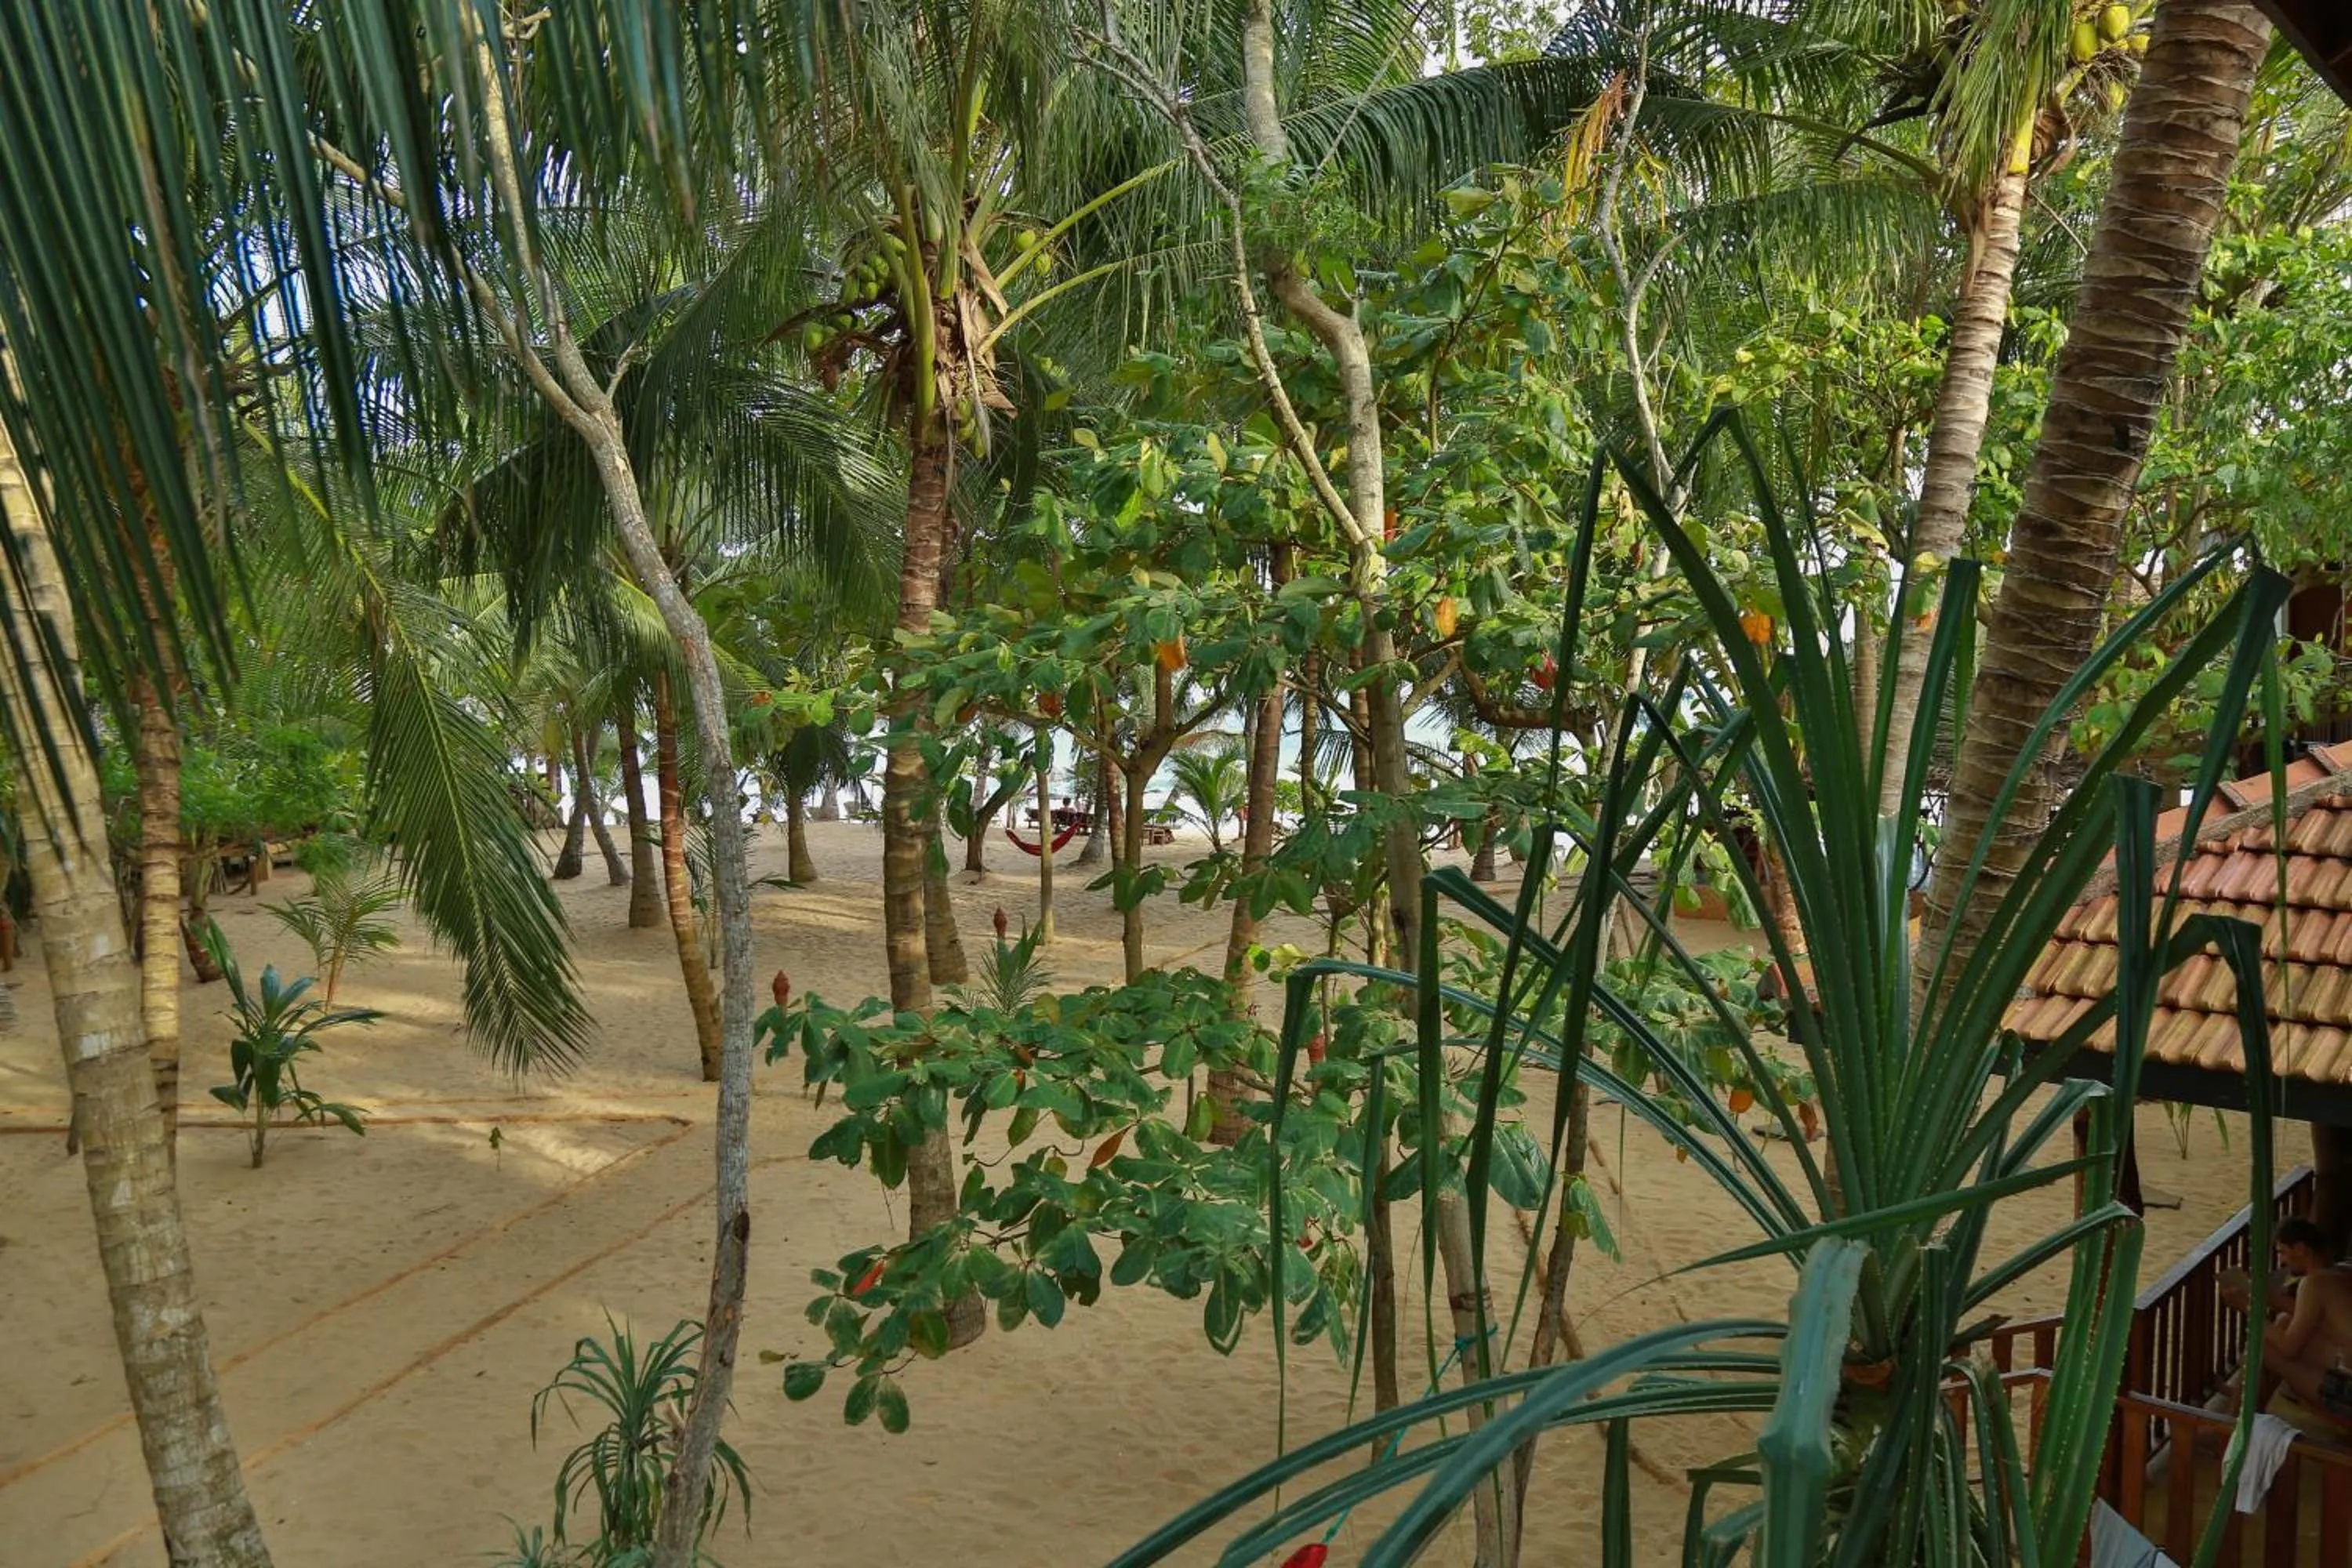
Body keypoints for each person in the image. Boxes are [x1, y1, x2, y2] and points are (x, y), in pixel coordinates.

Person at [2228, 1217, 2352, 1429]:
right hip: (2343, 1368)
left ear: (2301, 1249)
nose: (2282, 1261)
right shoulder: (2341, 1273)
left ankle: (2234, 1425)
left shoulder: (2313, 1283)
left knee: (2262, 1347)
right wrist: (2269, 1298)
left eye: (2283, 1252)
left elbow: (2289, 1348)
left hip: (2348, 1392)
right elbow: (2314, 1317)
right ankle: (2246, 1407)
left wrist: (2248, 1308)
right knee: (2284, 1321)